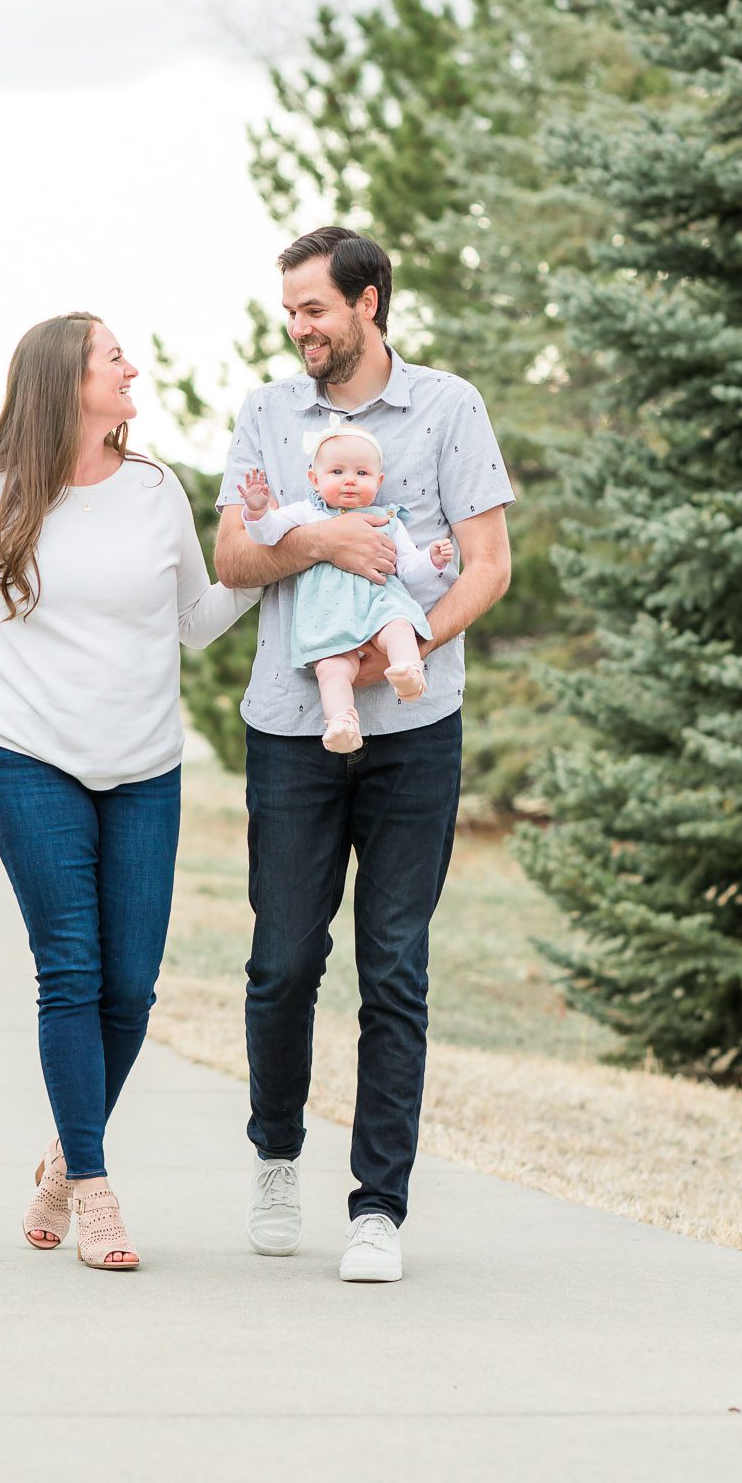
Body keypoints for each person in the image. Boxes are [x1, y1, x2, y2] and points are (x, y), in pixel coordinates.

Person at [0, 311, 258, 1271]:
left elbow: (197, 619)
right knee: (69, 968)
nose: (132, 367)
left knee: (132, 987)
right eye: (115, 357)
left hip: (146, 764)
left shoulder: (158, 491)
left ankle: (65, 1159)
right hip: (29, 760)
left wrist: (279, 556)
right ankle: (98, 1192)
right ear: (66, 380)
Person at [215, 227, 513, 1283]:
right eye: (290, 309)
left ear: (367, 302)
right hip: (292, 728)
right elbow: (233, 555)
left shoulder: (448, 407)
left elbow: (488, 562)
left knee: (394, 966)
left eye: (313, 308)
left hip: (414, 733)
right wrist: (321, 541)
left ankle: (377, 1205)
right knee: (282, 960)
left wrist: (409, 648)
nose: (297, 326)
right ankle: (275, 1153)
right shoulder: (265, 412)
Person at [236, 418, 457, 751]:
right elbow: (267, 536)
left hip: (379, 605)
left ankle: (408, 668)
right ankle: (341, 721)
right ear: (315, 477)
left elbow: (408, 569)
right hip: (328, 616)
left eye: (362, 473)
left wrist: (433, 561)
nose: (350, 481)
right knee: (332, 669)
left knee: (399, 625)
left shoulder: (388, 519)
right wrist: (257, 510)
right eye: (337, 472)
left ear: (379, 481)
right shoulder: (308, 513)